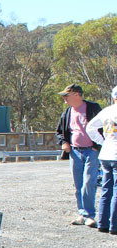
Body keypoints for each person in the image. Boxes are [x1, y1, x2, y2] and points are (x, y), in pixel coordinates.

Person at [55, 84, 102, 227]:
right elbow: (60, 132)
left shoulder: (93, 108)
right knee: (78, 184)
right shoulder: (67, 112)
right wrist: (64, 142)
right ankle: (82, 213)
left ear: (76, 95)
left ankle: (89, 215)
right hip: (75, 152)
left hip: (91, 151)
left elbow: (103, 127)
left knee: (89, 182)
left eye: (66, 95)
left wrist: (97, 147)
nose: (64, 99)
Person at [86, 85, 117, 235]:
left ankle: (103, 223)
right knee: (116, 191)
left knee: (106, 189)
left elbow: (90, 127)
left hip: (106, 154)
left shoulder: (107, 111)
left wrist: (102, 141)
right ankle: (114, 225)